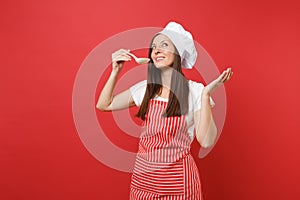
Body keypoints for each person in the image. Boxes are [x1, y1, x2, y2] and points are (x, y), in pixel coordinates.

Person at [96, 22, 233, 200]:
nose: (156, 50)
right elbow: (104, 104)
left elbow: (206, 141)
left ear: (178, 54)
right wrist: (116, 70)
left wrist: (206, 96)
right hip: (143, 185)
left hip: (179, 187)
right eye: (154, 47)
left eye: (164, 45)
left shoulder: (195, 91)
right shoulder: (147, 88)